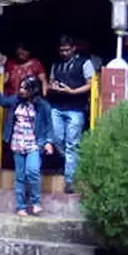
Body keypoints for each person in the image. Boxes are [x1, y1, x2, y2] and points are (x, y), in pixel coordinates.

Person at [0, 75, 54, 216]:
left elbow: (49, 125)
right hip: (17, 143)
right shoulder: (16, 101)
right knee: (20, 176)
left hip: (34, 144)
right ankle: (20, 207)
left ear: (33, 90)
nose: (22, 90)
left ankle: (35, 202)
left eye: (25, 88)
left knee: (33, 172)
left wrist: (48, 142)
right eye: (21, 87)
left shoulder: (43, 106)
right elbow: (1, 101)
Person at [48, 35, 95, 194]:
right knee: (55, 139)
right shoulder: (56, 64)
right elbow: (50, 81)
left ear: (74, 48)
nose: (64, 53)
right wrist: (53, 86)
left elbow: (91, 85)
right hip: (57, 106)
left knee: (72, 143)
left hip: (76, 108)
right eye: (61, 50)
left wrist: (72, 91)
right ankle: (73, 164)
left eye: (67, 50)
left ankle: (69, 179)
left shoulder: (85, 63)